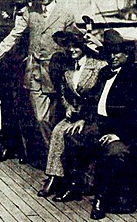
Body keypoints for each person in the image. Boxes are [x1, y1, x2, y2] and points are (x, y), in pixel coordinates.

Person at [56, 29, 137, 219]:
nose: (112, 57)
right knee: (72, 136)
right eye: (109, 53)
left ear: (126, 55)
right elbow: (92, 99)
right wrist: (83, 119)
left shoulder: (134, 77)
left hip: (123, 129)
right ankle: (76, 185)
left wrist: (119, 134)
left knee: (114, 151)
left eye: (117, 53)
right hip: (101, 123)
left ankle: (102, 199)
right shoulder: (104, 72)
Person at [0, 0, 76, 150]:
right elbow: (14, 36)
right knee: (41, 119)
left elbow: (73, 44)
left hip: (58, 74)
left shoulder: (66, 14)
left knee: (58, 118)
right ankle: (53, 157)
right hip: (35, 74)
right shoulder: (30, 13)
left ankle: (58, 162)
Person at [37, 29, 106, 198]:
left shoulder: (97, 65)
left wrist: (97, 43)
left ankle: (70, 182)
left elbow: (99, 95)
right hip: (74, 114)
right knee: (57, 131)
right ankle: (54, 177)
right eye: (69, 47)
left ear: (83, 47)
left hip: (92, 115)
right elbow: (62, 93)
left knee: (67, 133)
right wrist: (67, 107)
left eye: (76, 46)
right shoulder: (68, 68)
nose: (72, 50)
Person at [0, 0, 35, 163]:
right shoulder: (4, 11)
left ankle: (25, 149)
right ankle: (8, 145)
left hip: (23, 67)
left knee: (23, 107)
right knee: (6, 106)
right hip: (5, 68)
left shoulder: (31, 15)